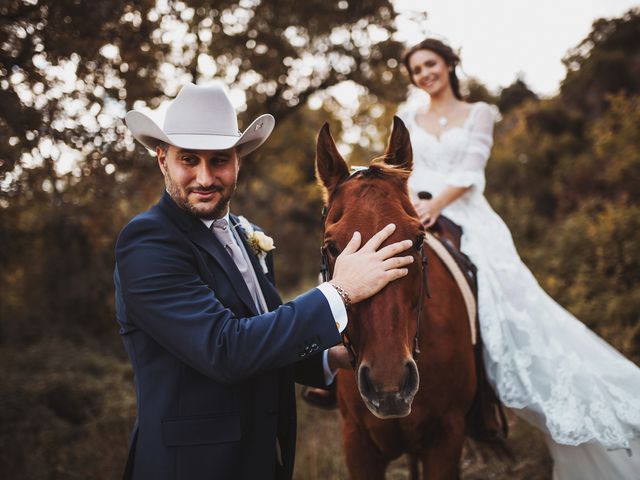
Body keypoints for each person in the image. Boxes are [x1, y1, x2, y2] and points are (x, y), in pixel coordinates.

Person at [114, 82, 415, 480]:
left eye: (219, 160)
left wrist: (327, 358)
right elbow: (225, 349)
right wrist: (339, 292)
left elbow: (261, 337)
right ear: (162, 159)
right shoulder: (148, 243)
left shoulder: (244, 232)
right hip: (191, 467)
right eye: (189, 160)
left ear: (238, 160)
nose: (205, 178)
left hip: (260, 460)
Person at [398, 37, 640, 479]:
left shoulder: (480, 114)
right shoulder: (406, 117)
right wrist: (414, 208)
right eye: (416, 70)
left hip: (466, 216)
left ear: (450, 64)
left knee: (508, 318)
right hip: (417, 212)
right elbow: (402, 168)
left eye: (430, 64)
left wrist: (436, 206)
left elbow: (471, 172)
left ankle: (484, 401)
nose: (425, 74)